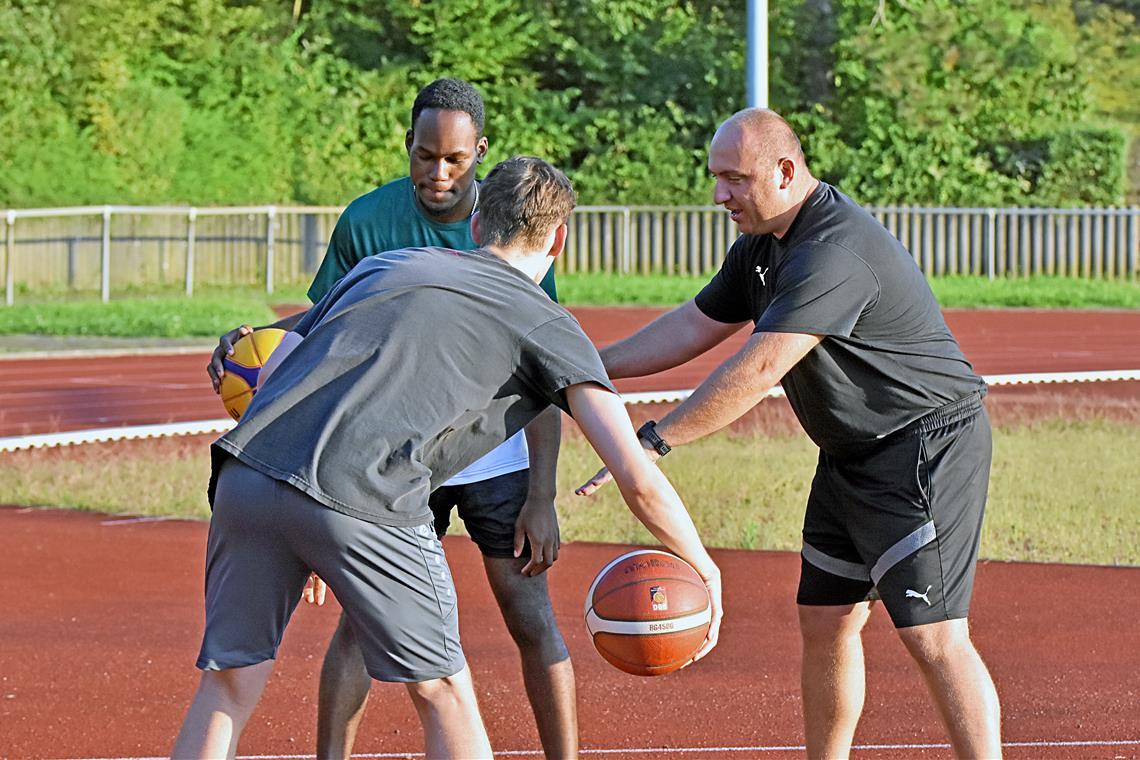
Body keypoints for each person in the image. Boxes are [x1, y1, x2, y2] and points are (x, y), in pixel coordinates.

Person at [174, 156, 723, 759]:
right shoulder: (548, 322)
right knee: (445, 694)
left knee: (227, 684)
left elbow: (278, 368)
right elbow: (635, 477)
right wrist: (703, 565)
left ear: (478, 225)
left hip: (247, 471)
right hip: (364, 493)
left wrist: (296, 525)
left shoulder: (385, 265)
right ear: (560, 238)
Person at [577, 108, 1002, 759]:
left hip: (922, 447)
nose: (720, 195)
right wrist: (587, 366)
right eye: (716, 177)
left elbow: (760, 367)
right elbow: (693, 325)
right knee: (826, 622)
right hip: (849, 453)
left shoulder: (832, 250)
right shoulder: (761, 246)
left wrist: (653, 440)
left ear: (784, 170)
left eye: (735, 179)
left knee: (933, 636)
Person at [205, 79, 576, 758]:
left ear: (480, 154)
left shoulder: (509, 222)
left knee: (529, 612)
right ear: (407, 144)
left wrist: (543, 495)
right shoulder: (367, 220)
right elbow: (325, 332)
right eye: (425, 155)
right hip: (390, 450)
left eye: (456, 160)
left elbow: (545, 365)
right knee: (360, 624)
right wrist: (254, 336)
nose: (439, 173)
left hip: (491, 451)